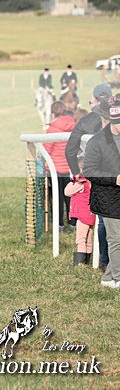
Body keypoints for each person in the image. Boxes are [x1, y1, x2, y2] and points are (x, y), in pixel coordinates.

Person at [65, 83, 113, 269]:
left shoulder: (85, 121)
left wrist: (77, 173)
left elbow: (70, 149)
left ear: (94, 100)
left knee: (101, 218)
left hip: (93, 175)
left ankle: (103, 261)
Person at [83, 96, 120, 288]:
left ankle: (108, 278)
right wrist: (115, 178)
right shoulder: (97, 142)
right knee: (115, 239)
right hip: (107, 197)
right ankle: (117, 278)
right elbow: (88, 171)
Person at [44, 101, 76, 229]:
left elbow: (47, 149)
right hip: (70, 167)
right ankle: (72, 222)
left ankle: (59, 224)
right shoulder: (73, 126)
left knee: (57, 197)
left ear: (53, 112)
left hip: (55, 168)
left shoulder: (52, 129)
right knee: (70, 196)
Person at [65, 153, 95, 266]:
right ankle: (87, 261)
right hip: (91, 214)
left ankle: (80, 264)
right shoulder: (91, 181)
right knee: (89, 239)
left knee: (81, 239)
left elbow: (67, 192)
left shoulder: (80, 182)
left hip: (82, 216)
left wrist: (72, 182)